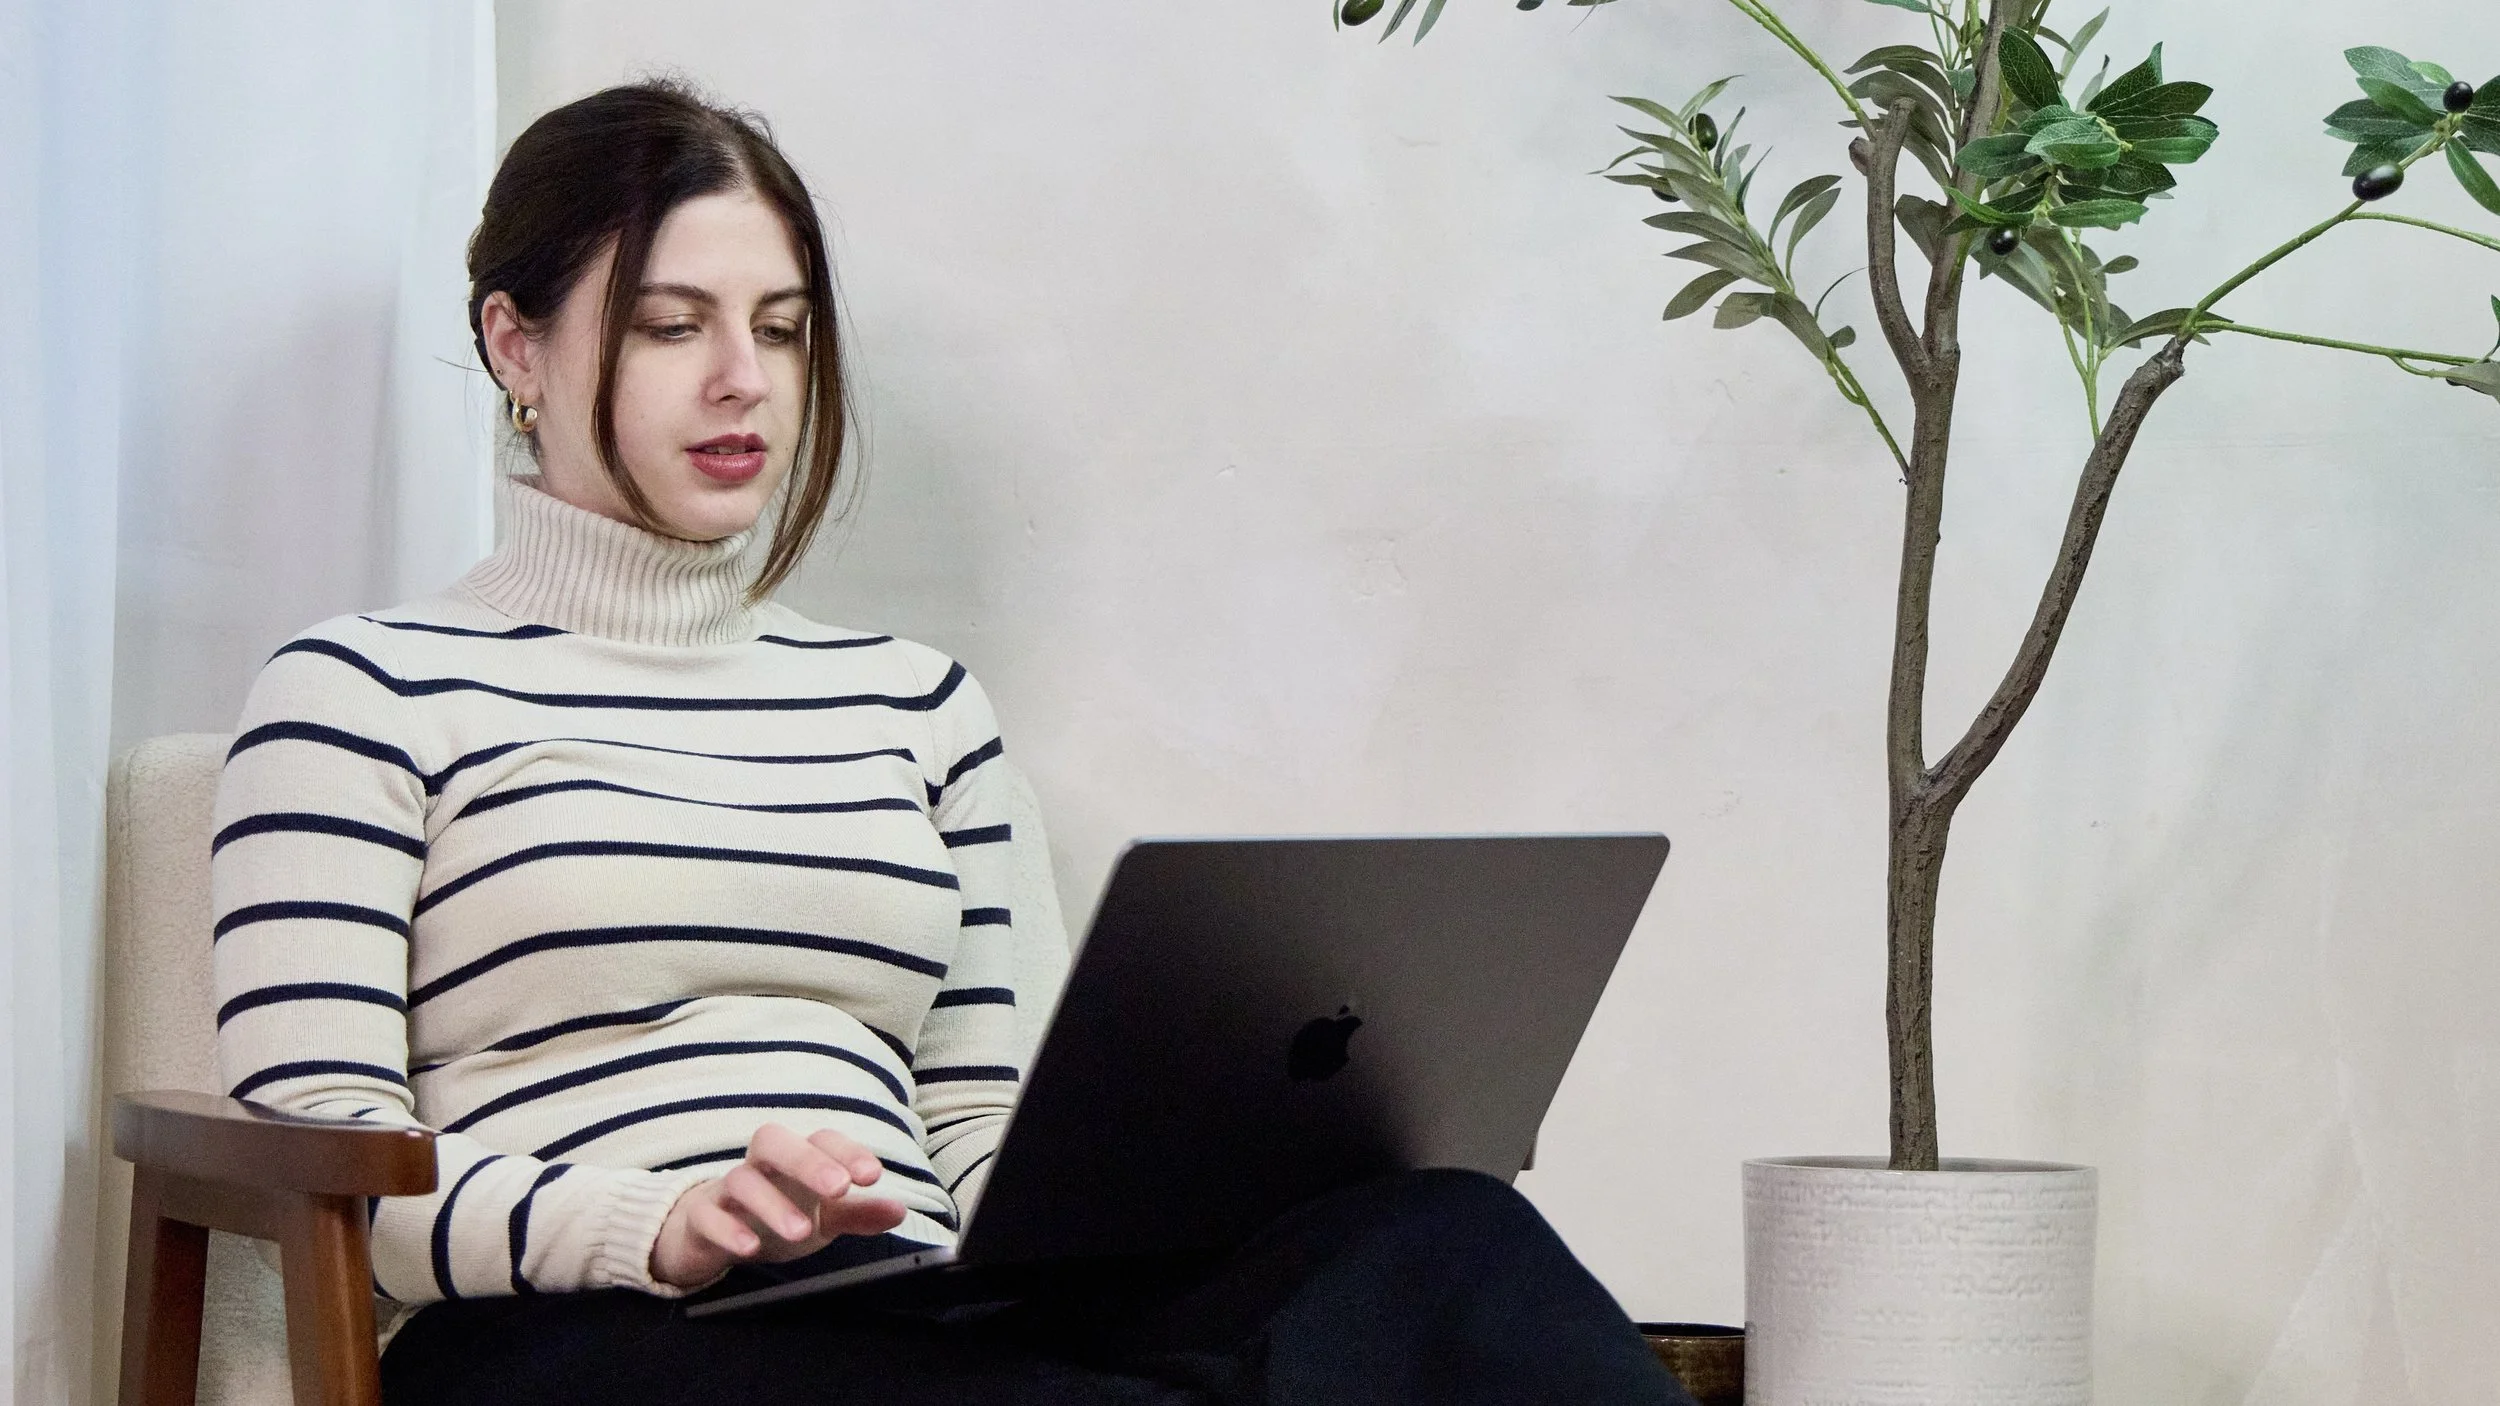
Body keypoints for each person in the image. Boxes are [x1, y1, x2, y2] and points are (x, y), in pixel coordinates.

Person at [209, 77, 1696, 1406]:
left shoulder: (914, 704)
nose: (746, 377)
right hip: (583, 1330)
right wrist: (653, 1220)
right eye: (674, 326)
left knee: (1445, 1240)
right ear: (513, 344)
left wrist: (1173, 1193)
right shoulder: (361, 694)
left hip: (916, 1302)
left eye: (782, 329)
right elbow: (332, 1172)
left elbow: (985, 1119)